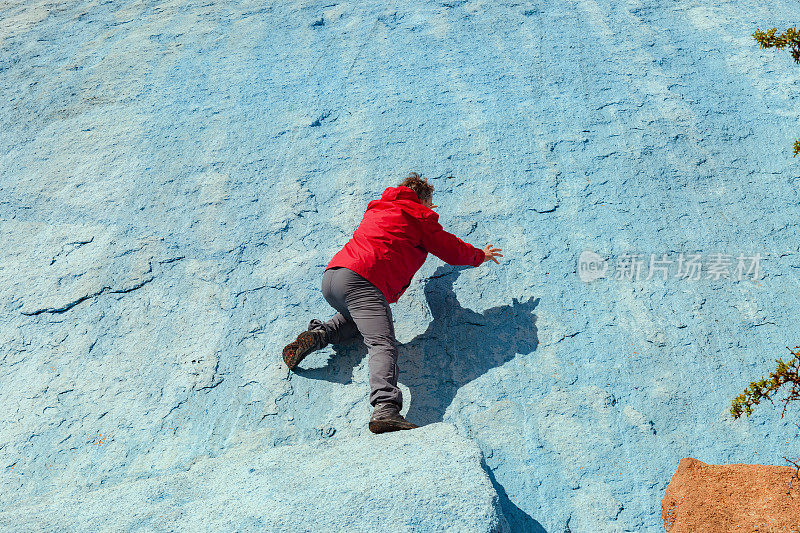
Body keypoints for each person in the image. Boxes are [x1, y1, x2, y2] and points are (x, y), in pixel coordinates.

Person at [282, 172, 503, 434]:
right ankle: (385, 409)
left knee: (358, 321)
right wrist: (481, 255)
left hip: (334, 278)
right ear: (423, 200)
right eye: (431, 203)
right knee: (382, 343)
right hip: (364, 281)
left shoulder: (379, 208)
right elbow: (451, 248)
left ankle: (318, 335)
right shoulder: (418, 216)